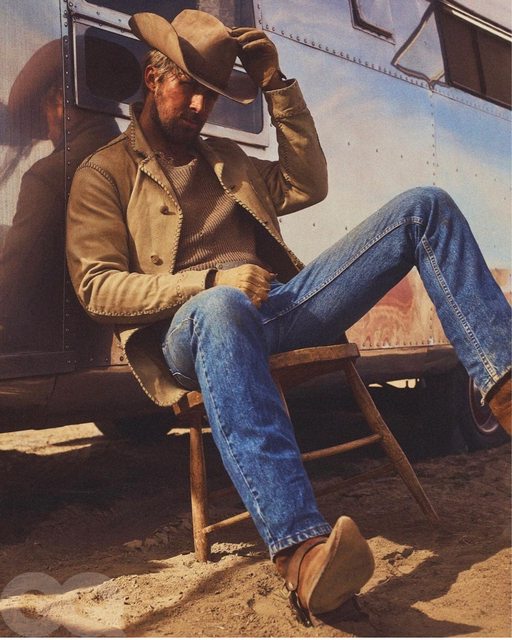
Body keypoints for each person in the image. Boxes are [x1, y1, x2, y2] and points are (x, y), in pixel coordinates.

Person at [66, 9, 511, 625]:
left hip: (278, 309)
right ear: (152, 76)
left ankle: (505, 385)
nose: (198, 106)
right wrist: (210, 281)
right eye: (187, 87)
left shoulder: (227, 159)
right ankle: (303, 555)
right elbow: (97, 288)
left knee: (425, 206)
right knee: (222, 306)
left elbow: (309, 182)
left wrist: (277, 87)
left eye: (210, 94)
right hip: (190, 330)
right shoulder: (105, 173)